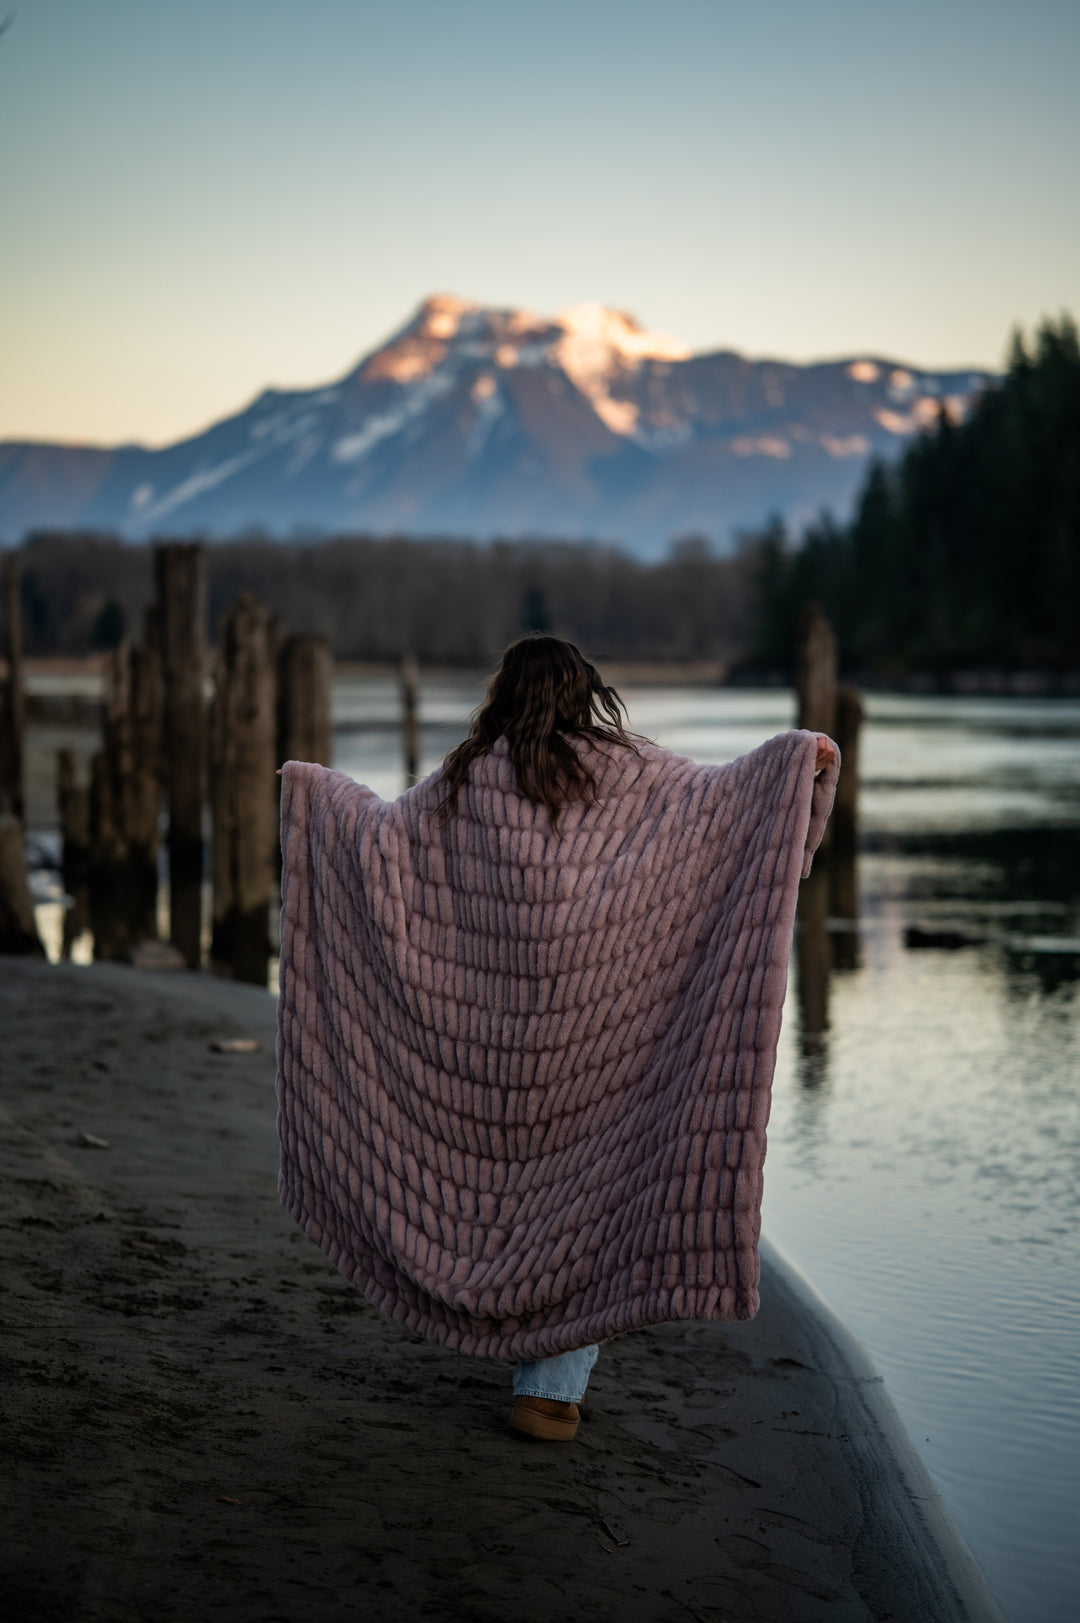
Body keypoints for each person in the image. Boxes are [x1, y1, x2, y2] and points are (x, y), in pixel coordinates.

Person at [275, 635, 839, 1444]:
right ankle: (550, 1389)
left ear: (505, 694)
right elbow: (722, 805)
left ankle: (491, 1326)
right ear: (585, 693)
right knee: (588, 1194)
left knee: (498, 1189)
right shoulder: (630, 768)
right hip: (593, 1039)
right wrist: (797, 761)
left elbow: (380, 847)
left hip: (488, 1048)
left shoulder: (468, 775)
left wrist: (312, 792)